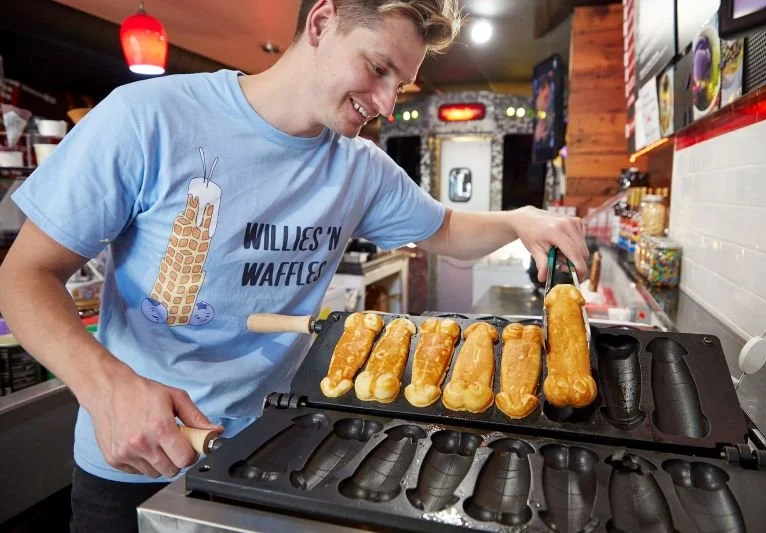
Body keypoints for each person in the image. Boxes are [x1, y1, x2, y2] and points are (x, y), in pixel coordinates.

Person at [0, 0, 588, 531]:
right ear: (322, 22)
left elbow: (448, 231)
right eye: (378, 69)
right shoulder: (148, 118)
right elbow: (24, 275)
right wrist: (107, 389)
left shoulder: (360, 167)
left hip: (278, 454)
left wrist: (519, 220)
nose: (385, 104)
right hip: (138, 455)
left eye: (400, 86)